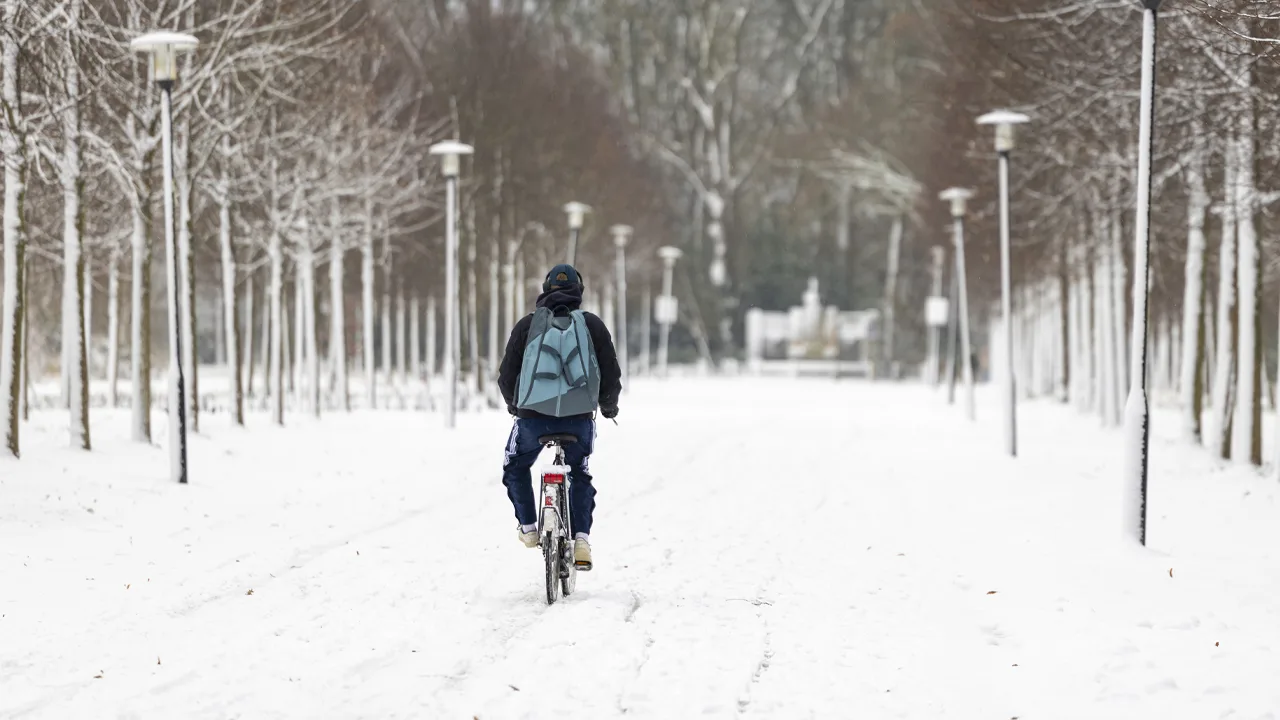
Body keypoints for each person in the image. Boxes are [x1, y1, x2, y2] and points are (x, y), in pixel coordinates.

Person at [498, 264, 621, 570]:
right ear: (580, 291)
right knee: (579, 470)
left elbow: (506, 375)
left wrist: (516, 405)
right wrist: (608, 406)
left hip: (532, 417)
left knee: (515, 464)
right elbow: (610, 372)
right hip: (578, 418)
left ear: (545, 289)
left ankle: (527, 527)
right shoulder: (591, 325)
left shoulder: (528, 325)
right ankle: (580, 538)